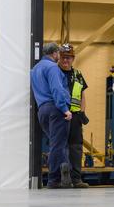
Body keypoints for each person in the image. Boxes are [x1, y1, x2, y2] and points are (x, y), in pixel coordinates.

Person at [30, 41, 73, 189]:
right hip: (56, 109)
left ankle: (65, 171)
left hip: (42, 110)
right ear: (54, 53)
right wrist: (64, 109)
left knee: (57, 144)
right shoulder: (53, 68)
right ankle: (54, 179)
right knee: (57, 145)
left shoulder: (34, 70)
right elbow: (57, 89)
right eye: (58, 54)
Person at [57, 45, 90, 189]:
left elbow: (82, 95)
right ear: (59, 57)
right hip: (59, 116)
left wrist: (82, 112)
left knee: (76, 148)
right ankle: (60, 179)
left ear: (73, 59)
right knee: (59, 148)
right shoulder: (54, 72)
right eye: (63, 57)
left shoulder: (78, 74)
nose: (65, 60)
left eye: (68, 57)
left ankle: (76, 179)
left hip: (75, 117)